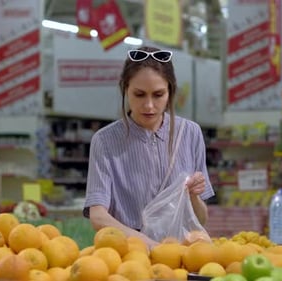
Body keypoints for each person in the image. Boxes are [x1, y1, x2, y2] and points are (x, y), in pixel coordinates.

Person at [83, 46, 215, 248]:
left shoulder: (190, 133)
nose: (149, 105)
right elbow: (98, 216)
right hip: (130, 255)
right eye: (139, 94)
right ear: (125, 89)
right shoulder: (105, 141)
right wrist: (149, 245)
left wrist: (194, 197)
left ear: (170, 91)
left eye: (158, 94)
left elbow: (201, 220)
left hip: (182, 254)